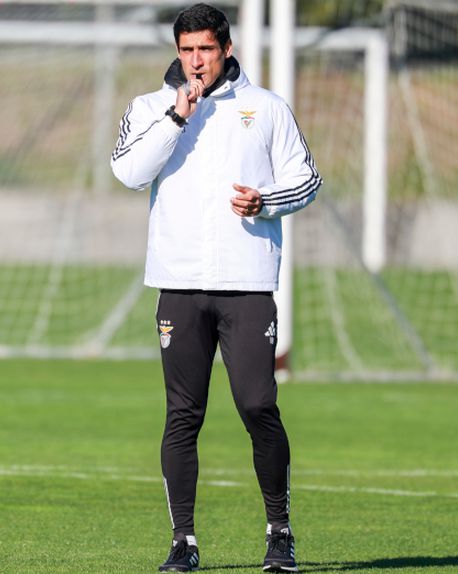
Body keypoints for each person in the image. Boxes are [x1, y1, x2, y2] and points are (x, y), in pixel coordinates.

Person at [110, 3, 320, 573]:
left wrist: (266, 200)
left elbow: (307, 179)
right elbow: (129, 173)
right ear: (176, 52)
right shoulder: (151, 108)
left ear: (225, 49)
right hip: (178, 285)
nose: (195, 61)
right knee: (183, 414)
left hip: (247, 285)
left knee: (258, 404)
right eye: (186, 50)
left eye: (205, 49)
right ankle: (184, 541)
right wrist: (177, 117)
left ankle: (280, 531)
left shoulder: (266, 108)